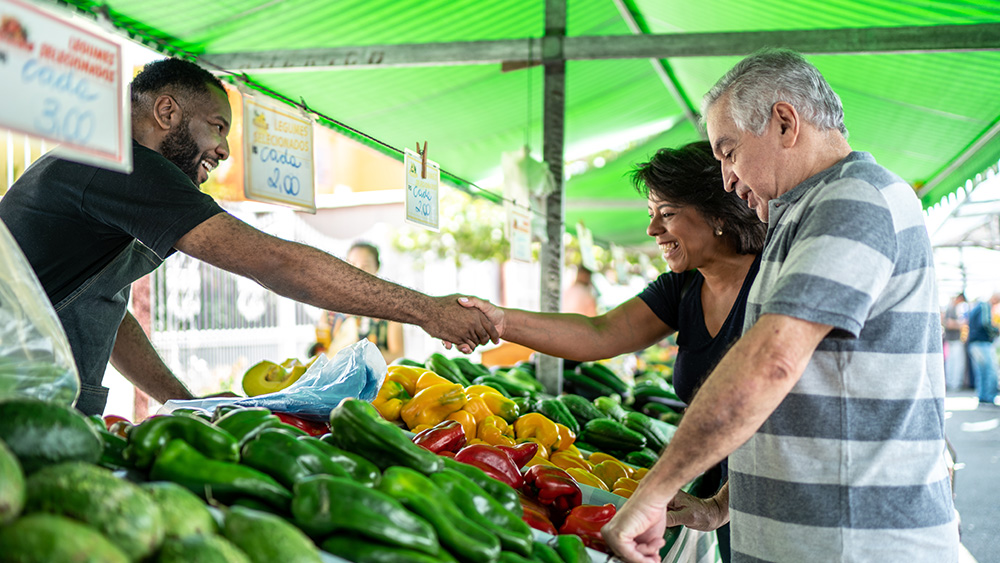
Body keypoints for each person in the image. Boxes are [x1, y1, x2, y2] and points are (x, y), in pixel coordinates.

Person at [601, 48, 958, 563]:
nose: (725, 178)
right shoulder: (799, 216)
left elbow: (774, 362)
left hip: (854, 546)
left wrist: (652, 493)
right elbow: (811, 394)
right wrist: (719, 507)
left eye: (729, 152)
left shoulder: (853, 199)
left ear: (785, 122)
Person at [0, 58, 497, 416]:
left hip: (32, 401)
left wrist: (185, 403)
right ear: (167, 113)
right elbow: (275, 263)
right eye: (217, 128)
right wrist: (428, 310)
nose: (222, 151)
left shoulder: (103, 166)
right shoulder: (123, 165)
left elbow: (103, 309)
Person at [458, 140, 767, 562]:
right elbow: (599, 333)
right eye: (650, 215)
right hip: (725, 490)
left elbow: (782, 414)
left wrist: (719, 507)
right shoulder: (686, 286)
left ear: (716, 214)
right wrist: (499, 321)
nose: (653, 230)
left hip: (781, 491)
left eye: (668, 214)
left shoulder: (773, 284)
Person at [316, 242, 405, 364]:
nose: (357, 270)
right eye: (352, 264)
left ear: (376, 268)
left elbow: (398, 356)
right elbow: (321, 348)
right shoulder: (330, 308)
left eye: (365, 265)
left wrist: (360, 358)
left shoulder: (390, 310)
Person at [966, 293, 999, 406]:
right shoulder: (985, 306)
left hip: (974, 343)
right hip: (982, 342)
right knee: (990, 371)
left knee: (981, 372)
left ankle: (983, 397)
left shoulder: (977, 306)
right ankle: (989, 397)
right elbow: (985, 323)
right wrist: (995, 331)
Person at [942, 292, 968, 391]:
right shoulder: (953, 308)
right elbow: (949, 324)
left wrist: (956, 324)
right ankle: (954, 384)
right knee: (954, 363)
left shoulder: (954, 308)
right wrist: (959, 324)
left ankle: (953, 383)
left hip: (953, 339)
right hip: (954, 339)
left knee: (953, 362)